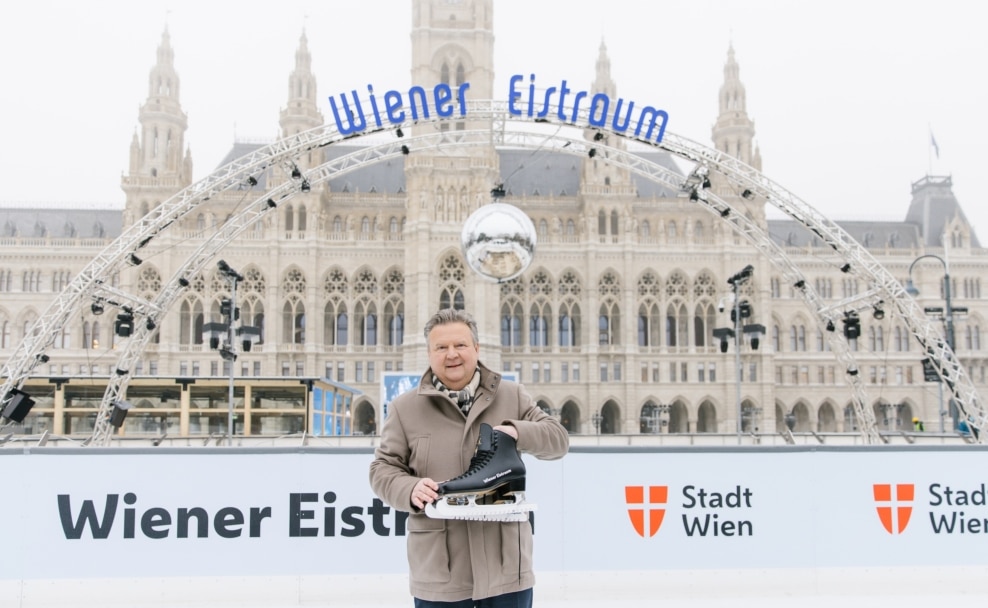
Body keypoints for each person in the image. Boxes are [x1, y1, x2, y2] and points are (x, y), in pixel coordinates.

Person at [369, 308, 569, 607]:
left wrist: (516, 431)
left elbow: (558, 440)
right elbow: (383, 468)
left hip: (507, 574)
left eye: (460, 345)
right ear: (429, 353)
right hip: (440, 577)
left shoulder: (512, 395)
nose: (452, 354)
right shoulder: (404, 408)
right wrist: (409, 488)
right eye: (441, 347)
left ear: (476, 348)